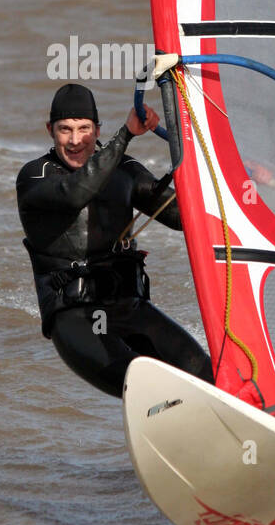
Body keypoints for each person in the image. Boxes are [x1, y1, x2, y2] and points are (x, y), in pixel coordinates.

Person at [16, 83, 214, 398]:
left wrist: (234, 184)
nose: (75, 140)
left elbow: (181, 217)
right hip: (75, 316)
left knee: (205, 373)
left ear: (97, 129)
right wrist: (126, 135)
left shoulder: (123, 169)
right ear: (49, 130)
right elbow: (76, 194)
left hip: (129, 307)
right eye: (65, 129)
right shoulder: (36, 176)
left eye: (84, 128)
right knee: (148, 388)